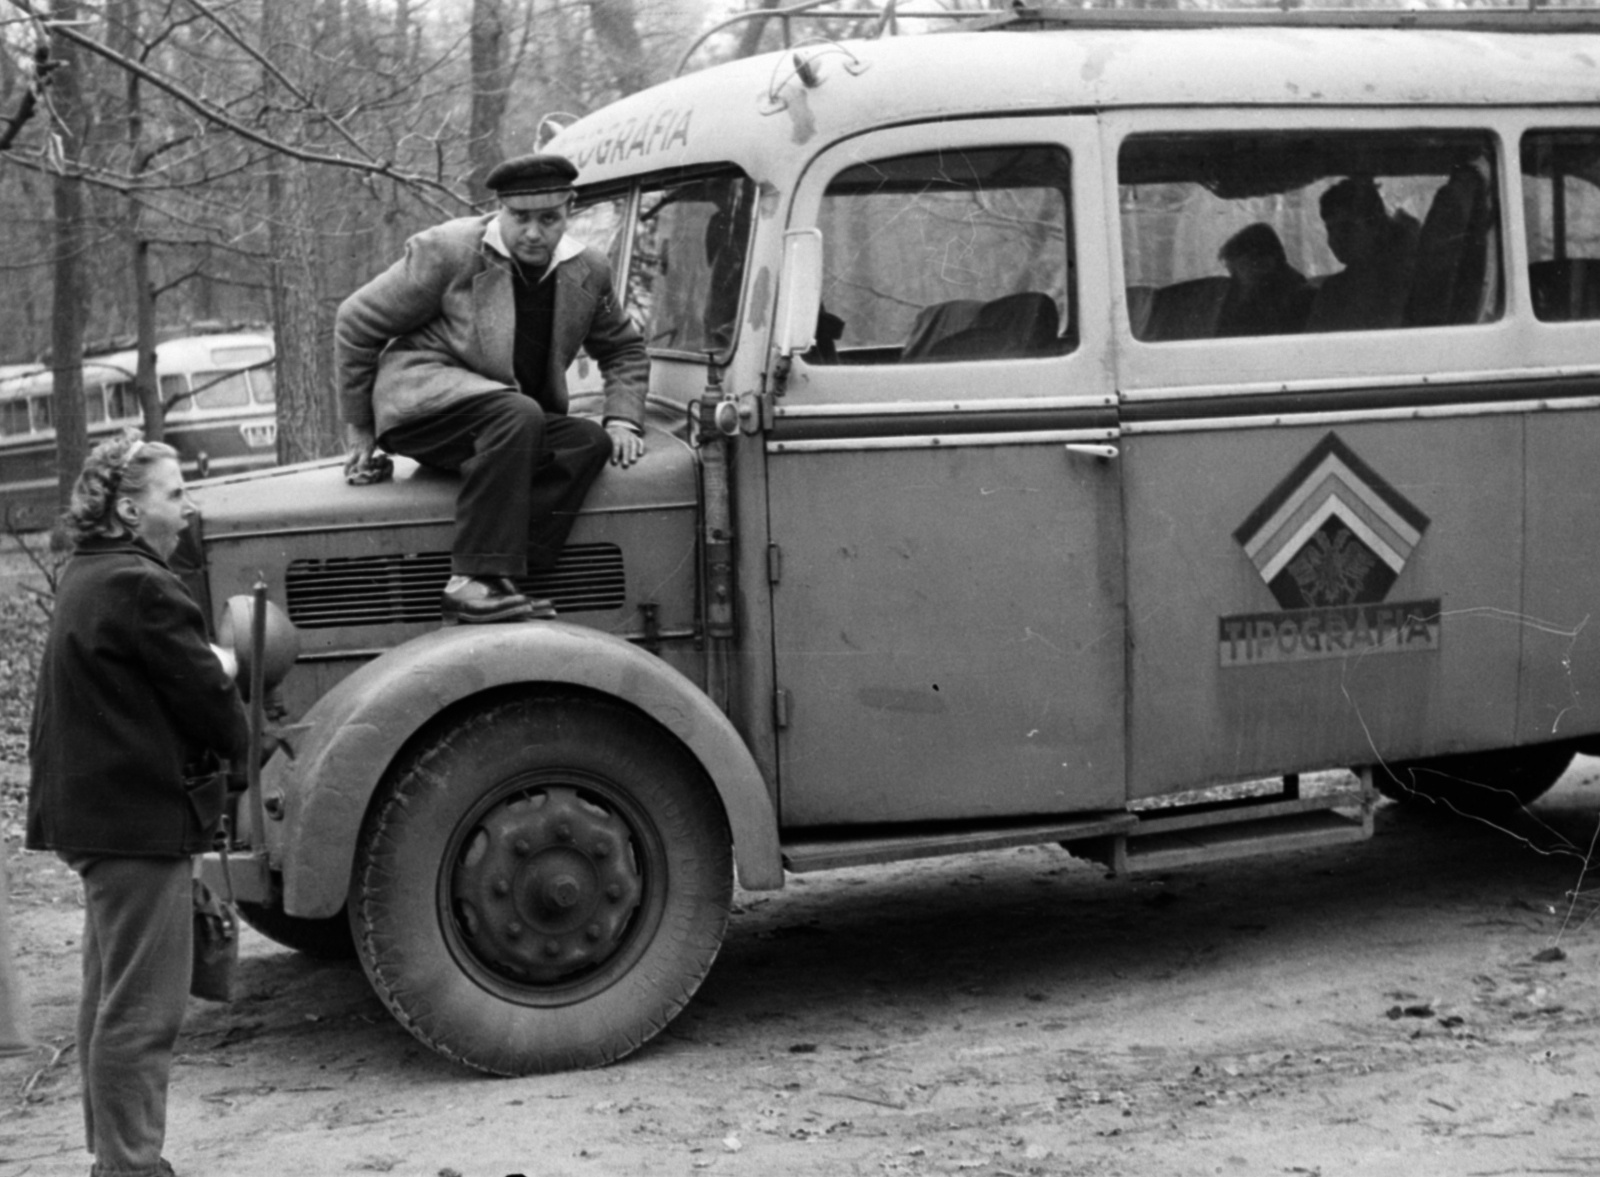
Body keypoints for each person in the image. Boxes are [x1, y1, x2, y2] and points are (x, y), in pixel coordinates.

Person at [27, 432, 250, 1177]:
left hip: (95, 818)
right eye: (176, 492)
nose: (188, 508)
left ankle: (115, 1156)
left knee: (108, 997)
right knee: (143, 1009)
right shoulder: (143, 585)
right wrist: (227, 677)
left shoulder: (86, 570)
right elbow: (212, 706)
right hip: (134, 823)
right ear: (129, 507)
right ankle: (128, 1165)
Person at [335, 152, 650, 624]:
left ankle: (511, 583)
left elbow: (623, 349)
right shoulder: (449, 251)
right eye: (520, 218)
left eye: (549, 219)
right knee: (518, 413)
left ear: (570, 209)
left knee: (587, 441)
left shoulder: (589, 269)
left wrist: (622, 416)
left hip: (504, 424)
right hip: (424, 409)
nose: (533, 232)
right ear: (499, 209)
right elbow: (355, 322)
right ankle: (470, 580)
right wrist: (359, 428)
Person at [1306, 176, 1420, 333]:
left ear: (1376, 227)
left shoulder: (1408, 282)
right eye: (1330, 229)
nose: (1336, 239)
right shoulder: (1333, 291)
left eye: (1347, 227)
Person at [1214, 222, 1314, 337]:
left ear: (1265, 262)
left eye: (1241, 267)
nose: (1235, 277)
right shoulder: (1242, 298)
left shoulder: (1298, 300)